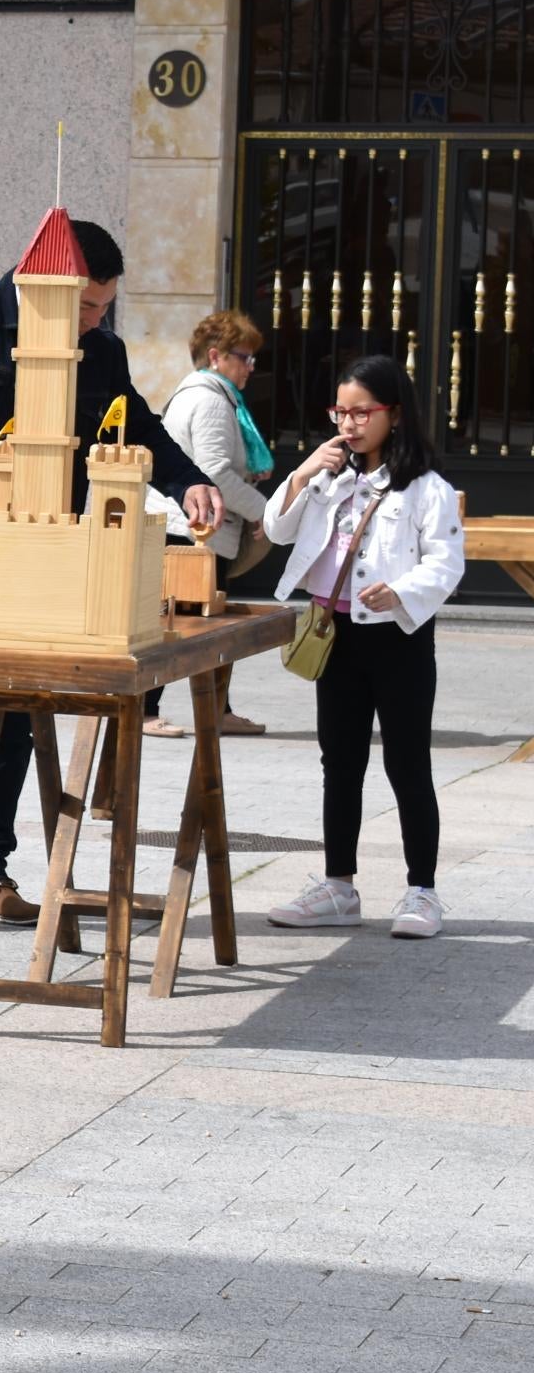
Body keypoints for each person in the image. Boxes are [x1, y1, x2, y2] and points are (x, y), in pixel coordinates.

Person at [0, 219, 222, 934]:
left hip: (45, 558)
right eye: (84, 308)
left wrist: (189, 483)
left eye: (103, 310)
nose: (92, 325)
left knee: (21, 713)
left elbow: (139, 425)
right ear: (42, 285)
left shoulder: (102, 352)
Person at [261, 355, 467, 940]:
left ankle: (422, 890)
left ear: (393, 414)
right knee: (340, 762)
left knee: (407, 762)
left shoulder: (428, 488)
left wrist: (399, 591)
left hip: (398, 638)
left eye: (361, 412)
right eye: (340, 411)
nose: (348, 424)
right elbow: (278, 529)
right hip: (336, 636)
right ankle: (338, 886)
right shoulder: (329, 476)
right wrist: (301, 473)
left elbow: (446, 564)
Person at [149, 310, 278, 739]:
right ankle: (148, 710)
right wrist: (261, 509)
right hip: (191, 530)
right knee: (175, 624)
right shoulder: (207, 399)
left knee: (203, 624)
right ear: (216, 355)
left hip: (197, 527)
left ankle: (218, 711)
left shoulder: (215, 397)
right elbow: (214, 472)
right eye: (244, 357)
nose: (250, 367)